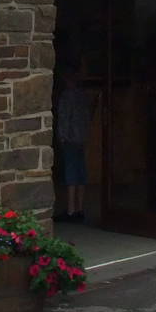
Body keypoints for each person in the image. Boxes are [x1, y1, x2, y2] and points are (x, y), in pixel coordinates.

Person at [55, 78, 94, 222]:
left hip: (70, 138)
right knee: (80, 171)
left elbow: (64, 118)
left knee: (71, 172)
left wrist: (62, 137)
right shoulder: (83, 95)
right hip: (82, 138)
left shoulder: (67, 96)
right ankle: (80, 208)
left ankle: (71, 210)